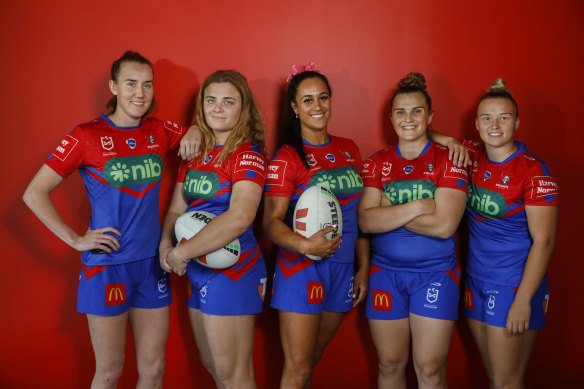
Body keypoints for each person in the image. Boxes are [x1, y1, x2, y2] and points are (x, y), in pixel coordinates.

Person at [22, 50, 200, 389]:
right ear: (113, 86)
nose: (140, 93)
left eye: (147, 85)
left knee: (154, 368)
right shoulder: (85, 136)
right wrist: (76, 239)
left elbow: (201, 134)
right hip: (108, 266)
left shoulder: (159, 132)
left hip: (151, 265)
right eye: (131, 83)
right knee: (109, 371)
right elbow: (34, 193)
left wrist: (193, 130)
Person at [440, 79, 558, 389]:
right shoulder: (473, 155)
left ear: (517, 122)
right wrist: (452, 142)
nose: (495, 125)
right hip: (476, 281)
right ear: (476, 124)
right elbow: (429, 136)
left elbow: (544, 242)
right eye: (486, 118)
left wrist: (522, 300)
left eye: (503, 117)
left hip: (513, 285)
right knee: (495, 377)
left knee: (507, 381)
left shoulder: (534, 171)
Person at [358, 72, 468, 389]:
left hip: (436, 274)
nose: (409, 119)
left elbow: (445, 225)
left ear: (430, 116)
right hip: (385, 274)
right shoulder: (376, 162)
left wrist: (386, 212)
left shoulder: (451, 159)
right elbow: (366, 222)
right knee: (389, 364)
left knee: (430, 370)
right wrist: (419, 206)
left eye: (417, 110)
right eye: (401, 111)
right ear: (391, 117)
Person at [263, 63, 369, 389]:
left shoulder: (349, 149)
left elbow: (358, 215)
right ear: (294, 107)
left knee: (311, 361)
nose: (317, 106)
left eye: (323, 98)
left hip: (342, 269)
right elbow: (270, 223)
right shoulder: (287, 157)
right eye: (307, 100)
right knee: (298, 370)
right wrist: (306, 246)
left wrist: (362, 267)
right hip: (302, 269)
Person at [159, 70, 268, 389]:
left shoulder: (248, 154)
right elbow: (178, 208)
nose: (218, 108)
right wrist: (166, 243)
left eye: (228, 101)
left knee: (234, 375)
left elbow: (240, 217)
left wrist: (181, 252)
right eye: (211, 100)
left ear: (243, 108)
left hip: (235, 271)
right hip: (195, 269)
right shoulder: (195, 152)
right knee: (216, 369)